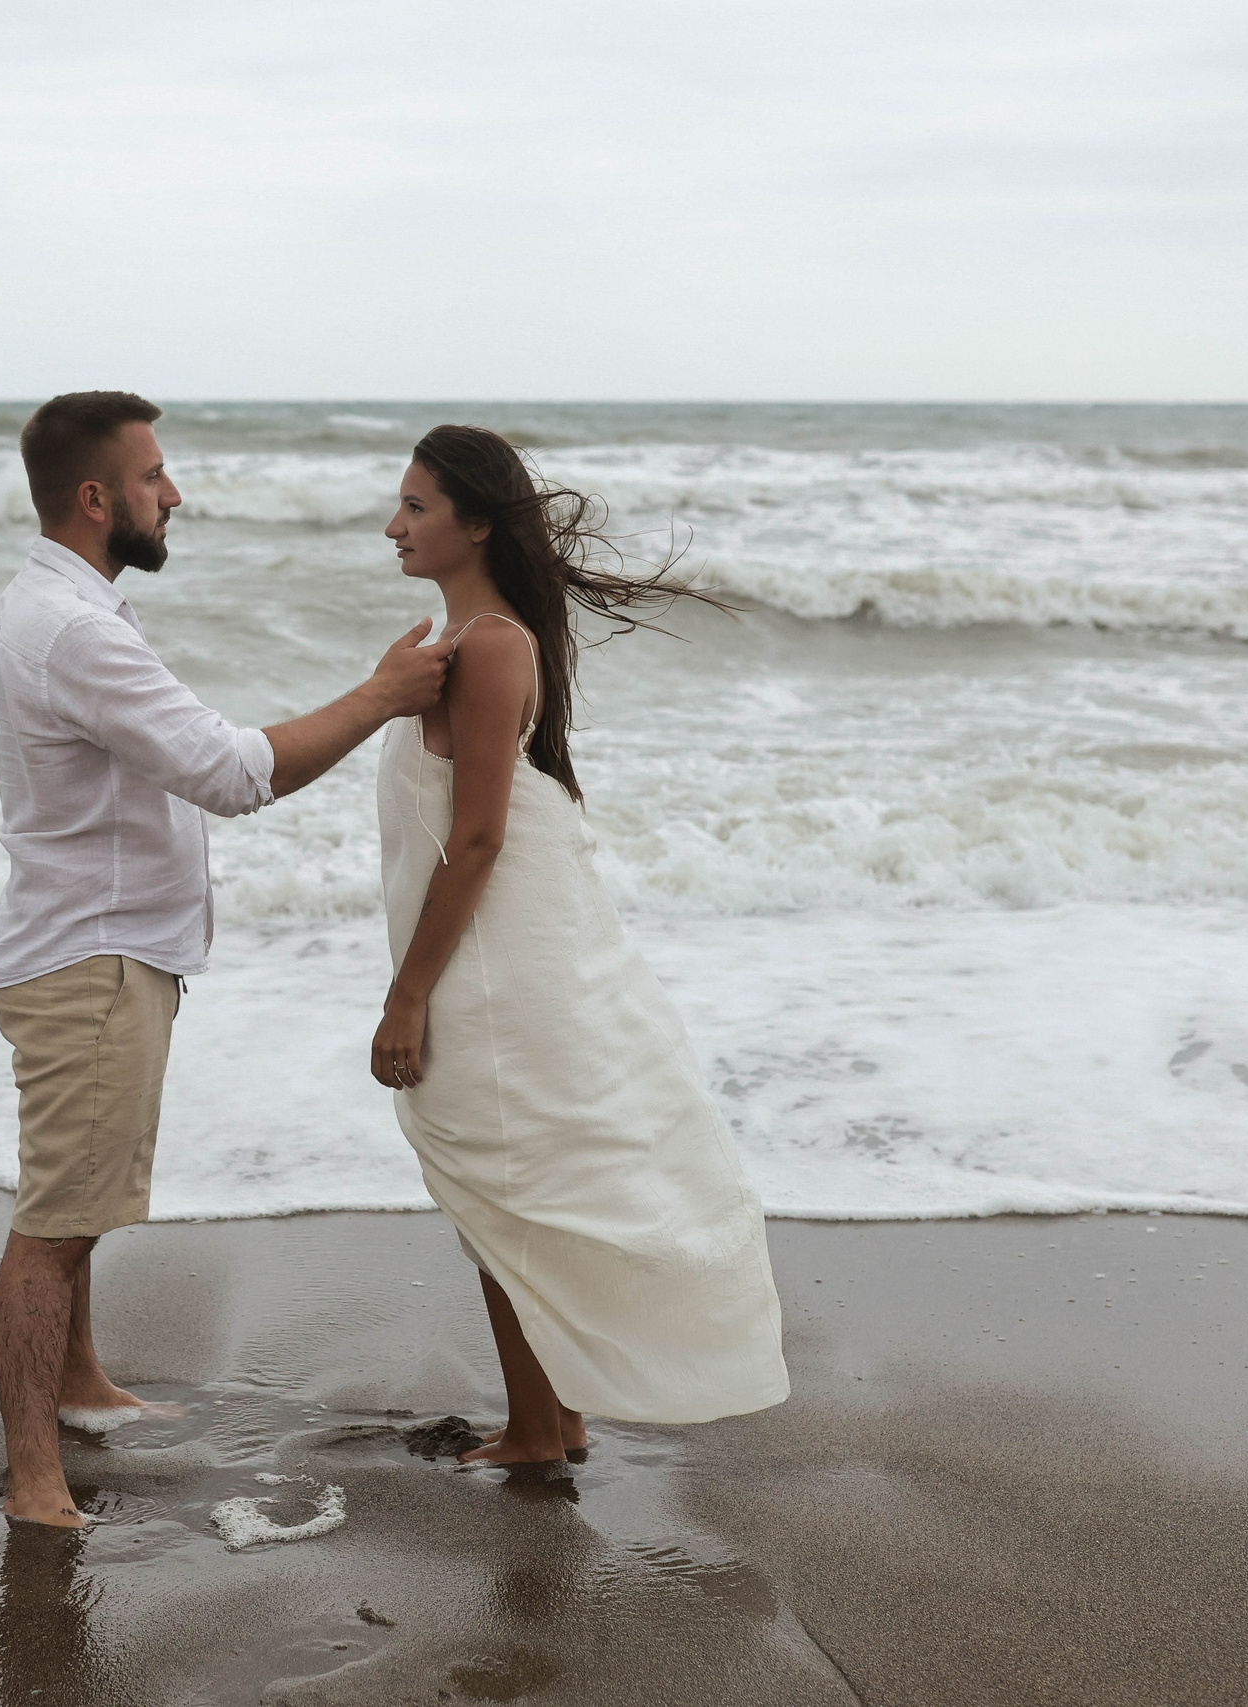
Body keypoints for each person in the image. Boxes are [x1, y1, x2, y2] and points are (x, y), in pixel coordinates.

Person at [0, 390, 449, 1527]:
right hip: (90, 961)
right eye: (153, 478)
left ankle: (81, 1385)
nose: (174, 494)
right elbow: (235, 774)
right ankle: (32, 1480)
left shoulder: (65, 605)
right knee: (54, 1225)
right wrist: (384, 695)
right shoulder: (77, 629)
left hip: (92, 948)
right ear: (96, 499)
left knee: (79, 1203)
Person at [370, 424, 788, 1466]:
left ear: (474, 524)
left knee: (506, 1195)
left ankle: (538, 1427)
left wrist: (406, 996)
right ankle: (547, 1420)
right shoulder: (460, 642)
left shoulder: (490, 646)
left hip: (488, 973)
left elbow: (476, 837)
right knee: (505, 1197)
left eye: (416, 507)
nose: (395, 525)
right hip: (493, 956)